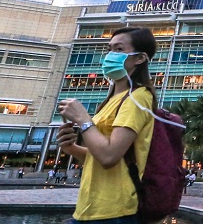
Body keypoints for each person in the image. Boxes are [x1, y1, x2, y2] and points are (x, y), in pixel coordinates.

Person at [56, 26, 157, 224]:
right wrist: (71, 148)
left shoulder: (138, 97)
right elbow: (99, 156)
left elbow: (109, 157)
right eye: (109, 49)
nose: (111, 55)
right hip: (89, 209)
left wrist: (83, 119)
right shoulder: (112, 99)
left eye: (119, 49)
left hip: (115, 211)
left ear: (140, 58)